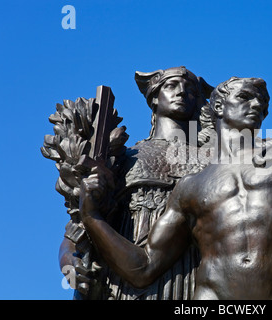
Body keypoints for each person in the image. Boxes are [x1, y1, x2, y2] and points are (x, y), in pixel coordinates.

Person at [78, 76, 272, 299]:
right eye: (245, 97)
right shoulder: (191, 187)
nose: (257, 107)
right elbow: (144, 268)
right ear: (218, 106)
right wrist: (92, 217)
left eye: (263, 104)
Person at [58, 66, 214, 300]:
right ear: (154, 97)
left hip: (195, 281)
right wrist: (69, 264)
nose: (181, 92)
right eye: (171, 86)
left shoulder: (214, 162)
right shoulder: (125, 158)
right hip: (127, 283)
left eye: (190, 89)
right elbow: (77, 232)